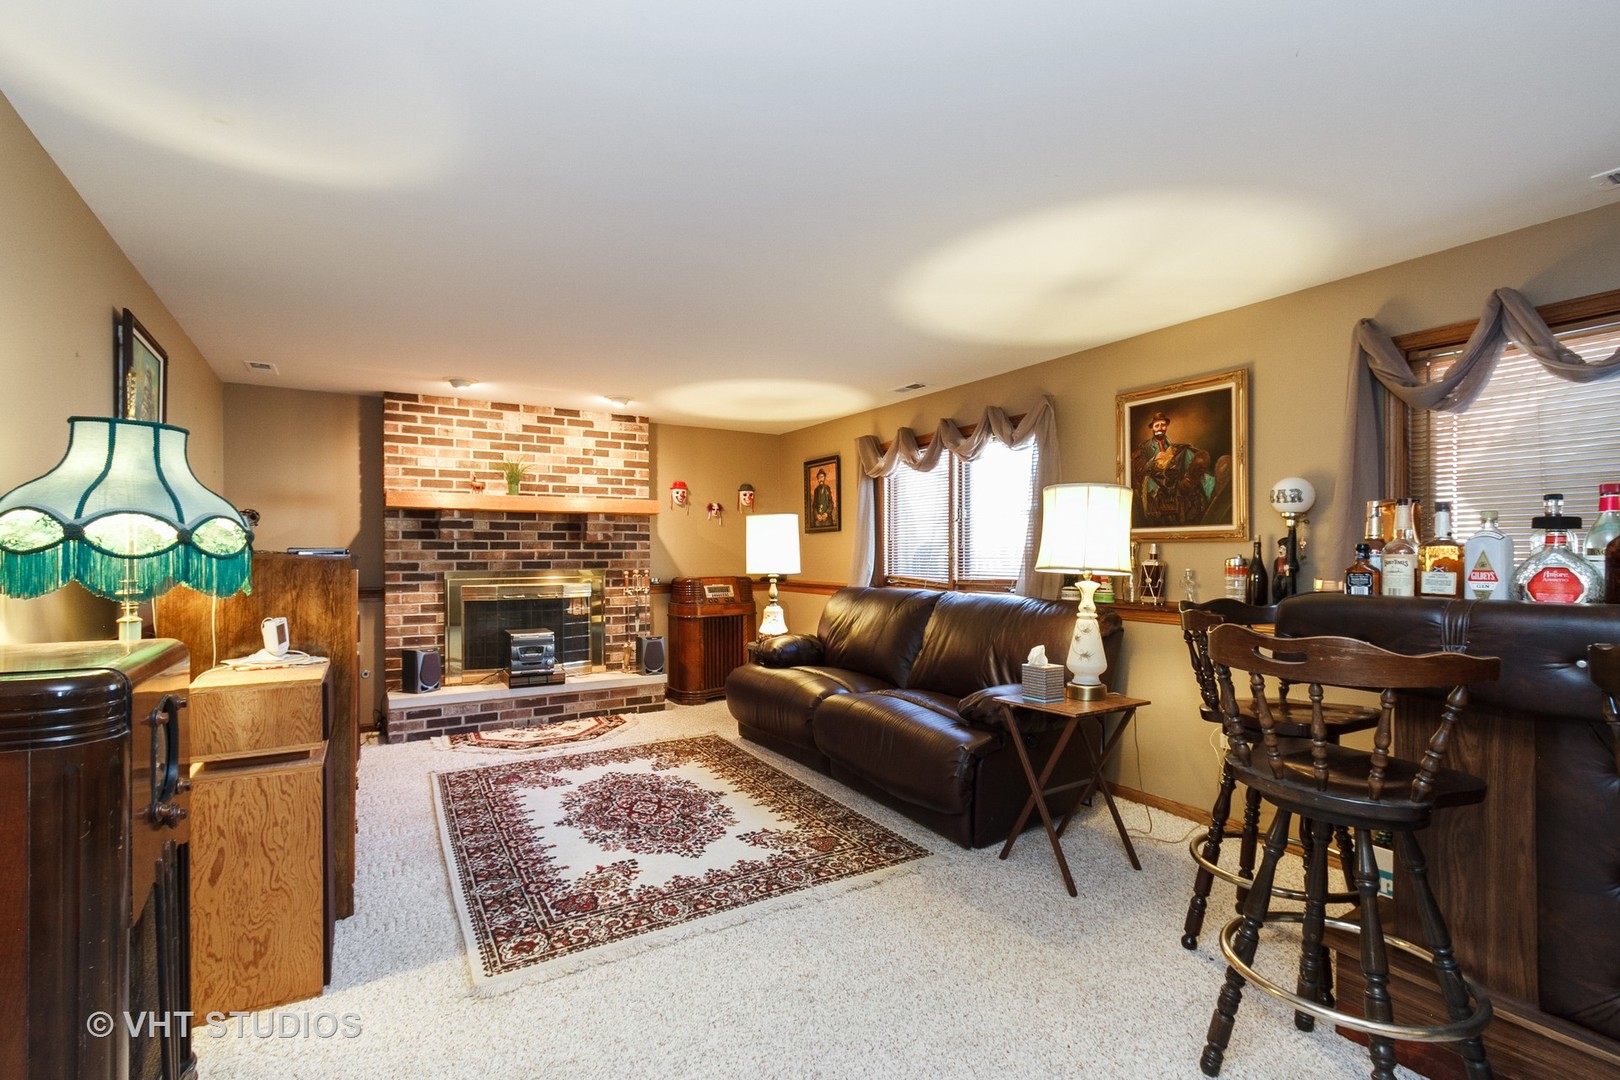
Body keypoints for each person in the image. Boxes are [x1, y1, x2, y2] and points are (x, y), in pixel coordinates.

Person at [1129, 412, 1230, 528]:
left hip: (1174, 473)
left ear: (1166, 426)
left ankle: (1211, 484)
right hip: (1156, 479)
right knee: (1178, 473)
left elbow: (1178, 460)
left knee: (1186, 453)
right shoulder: (1145, 447)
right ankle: (1191, 481)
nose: (1160, 429)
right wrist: (1154, 459)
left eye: (1163, 425)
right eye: (1157, 426)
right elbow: (1142, 469)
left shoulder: (1172, 445)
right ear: (1152, 428)